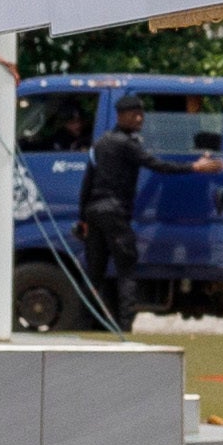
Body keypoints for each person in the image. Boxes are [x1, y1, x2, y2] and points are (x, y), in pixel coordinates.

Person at [72, 101, 144, 331]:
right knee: (127, 269)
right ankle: (124, 326)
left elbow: (87, 182)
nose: (140, 119)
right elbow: (157, 164)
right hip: (115, 213)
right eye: (135, 115)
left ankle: (82, 323)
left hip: (94, 211)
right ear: (121, 116)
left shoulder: (100, 143)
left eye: (141, 114)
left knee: (94, 272)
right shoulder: (127, 144)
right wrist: (194, 168)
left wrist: (82, 218)